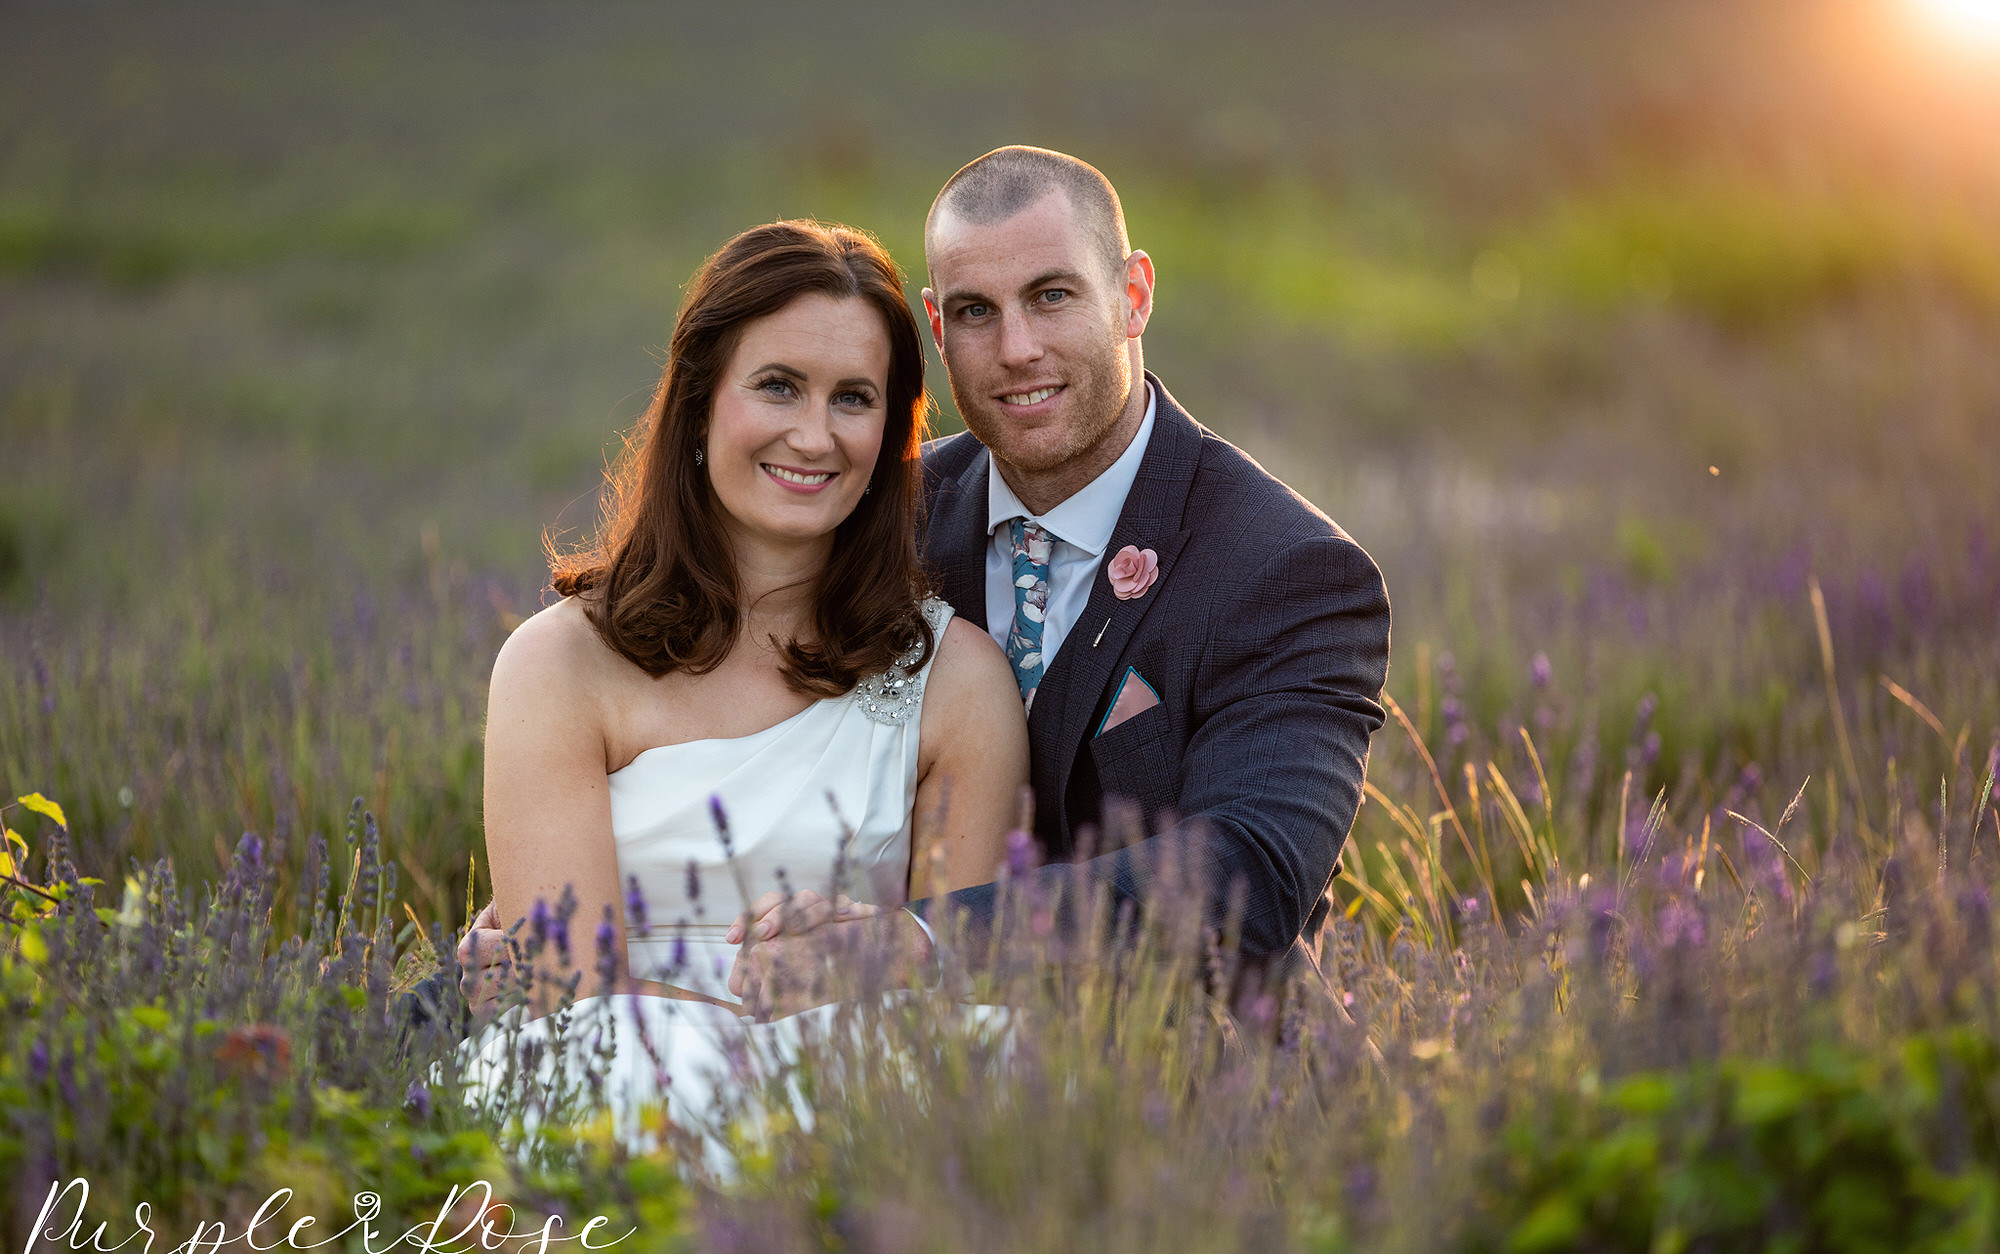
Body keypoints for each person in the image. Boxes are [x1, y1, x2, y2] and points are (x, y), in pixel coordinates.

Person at [464, 145, 1391, 1020]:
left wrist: (908, 945)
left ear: (1134, 294)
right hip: (844, 1060)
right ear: (939, 332)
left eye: (1053, 295)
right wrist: (474, 991)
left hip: (1201, 1085)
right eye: (978, 312)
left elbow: (1255, 874)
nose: (1018, 347)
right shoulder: (860, 510)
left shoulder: (1287, 573)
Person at [466, 219, 1026, 1072]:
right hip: (617, 1086)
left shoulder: (956, 682)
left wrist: (863, 968)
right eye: (777, 386)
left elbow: (952, 975)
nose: (813, 435)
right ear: (698, 403)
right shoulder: (558, 667)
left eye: (853, 397)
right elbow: (567, 999)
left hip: (857, 1077)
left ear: (891, 435)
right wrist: (742, 1017)